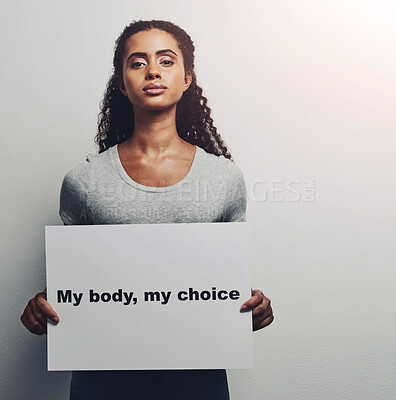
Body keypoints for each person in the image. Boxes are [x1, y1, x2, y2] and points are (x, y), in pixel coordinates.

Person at [21, 20, 274, 400]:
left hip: (197, 374)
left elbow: (222, 283)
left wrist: (252, 306)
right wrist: (42, 307)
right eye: (137, 62)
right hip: (103, 376)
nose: (152, 70)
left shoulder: (223, 178)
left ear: (187, 78)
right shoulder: (83, 182)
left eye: (166, 61)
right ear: (121, 83)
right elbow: (78, 283)